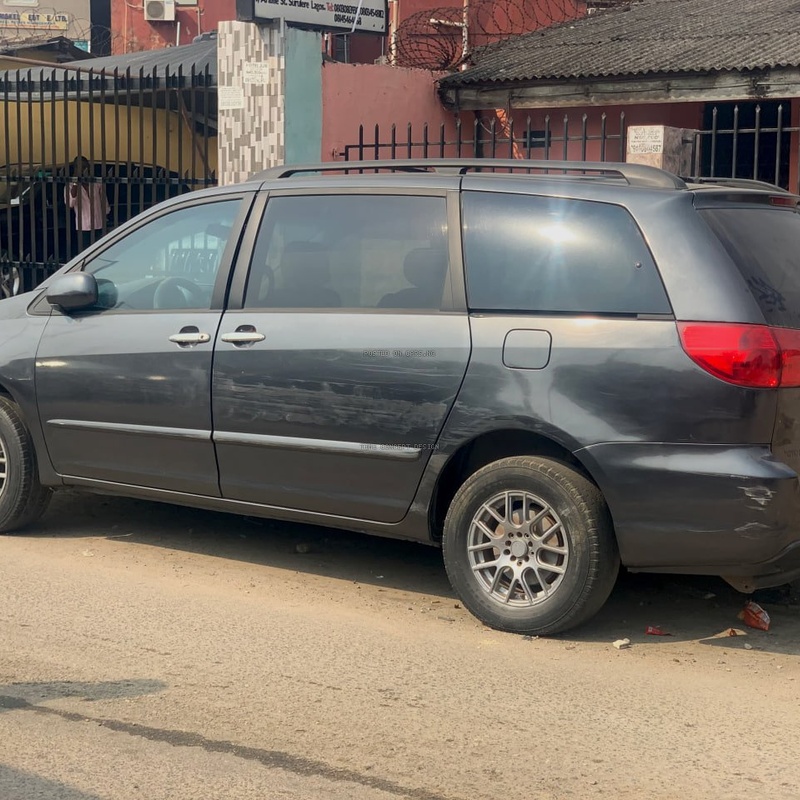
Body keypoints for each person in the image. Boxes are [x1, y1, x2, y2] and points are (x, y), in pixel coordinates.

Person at [65, 156, 110, 254]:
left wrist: (105, 216)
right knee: (85, 254)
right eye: (81, 167)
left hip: (99, 225)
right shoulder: (69, 186)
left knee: (100, 253)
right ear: (76, 168)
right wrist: (76, 182)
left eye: (85, 166)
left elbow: (104, 202)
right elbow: (71, 204)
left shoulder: (96, 182)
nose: (84, 169)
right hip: (84, 227)